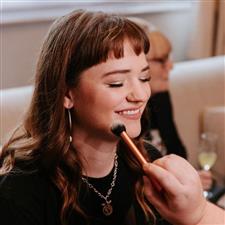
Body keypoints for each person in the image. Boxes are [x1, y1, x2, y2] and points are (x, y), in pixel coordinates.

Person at [0, 9, 224, 225]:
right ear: (67, 94)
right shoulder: (20, 189)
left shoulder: (148, 163)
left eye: (144, 78)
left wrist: (198, 213)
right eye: (116, 83)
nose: (140, 95)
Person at [128, 17, 213, 192]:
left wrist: (191, 176)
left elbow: (177, 150)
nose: (171, 66)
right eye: (162, 60)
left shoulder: (160, 96)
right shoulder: (126, 107)